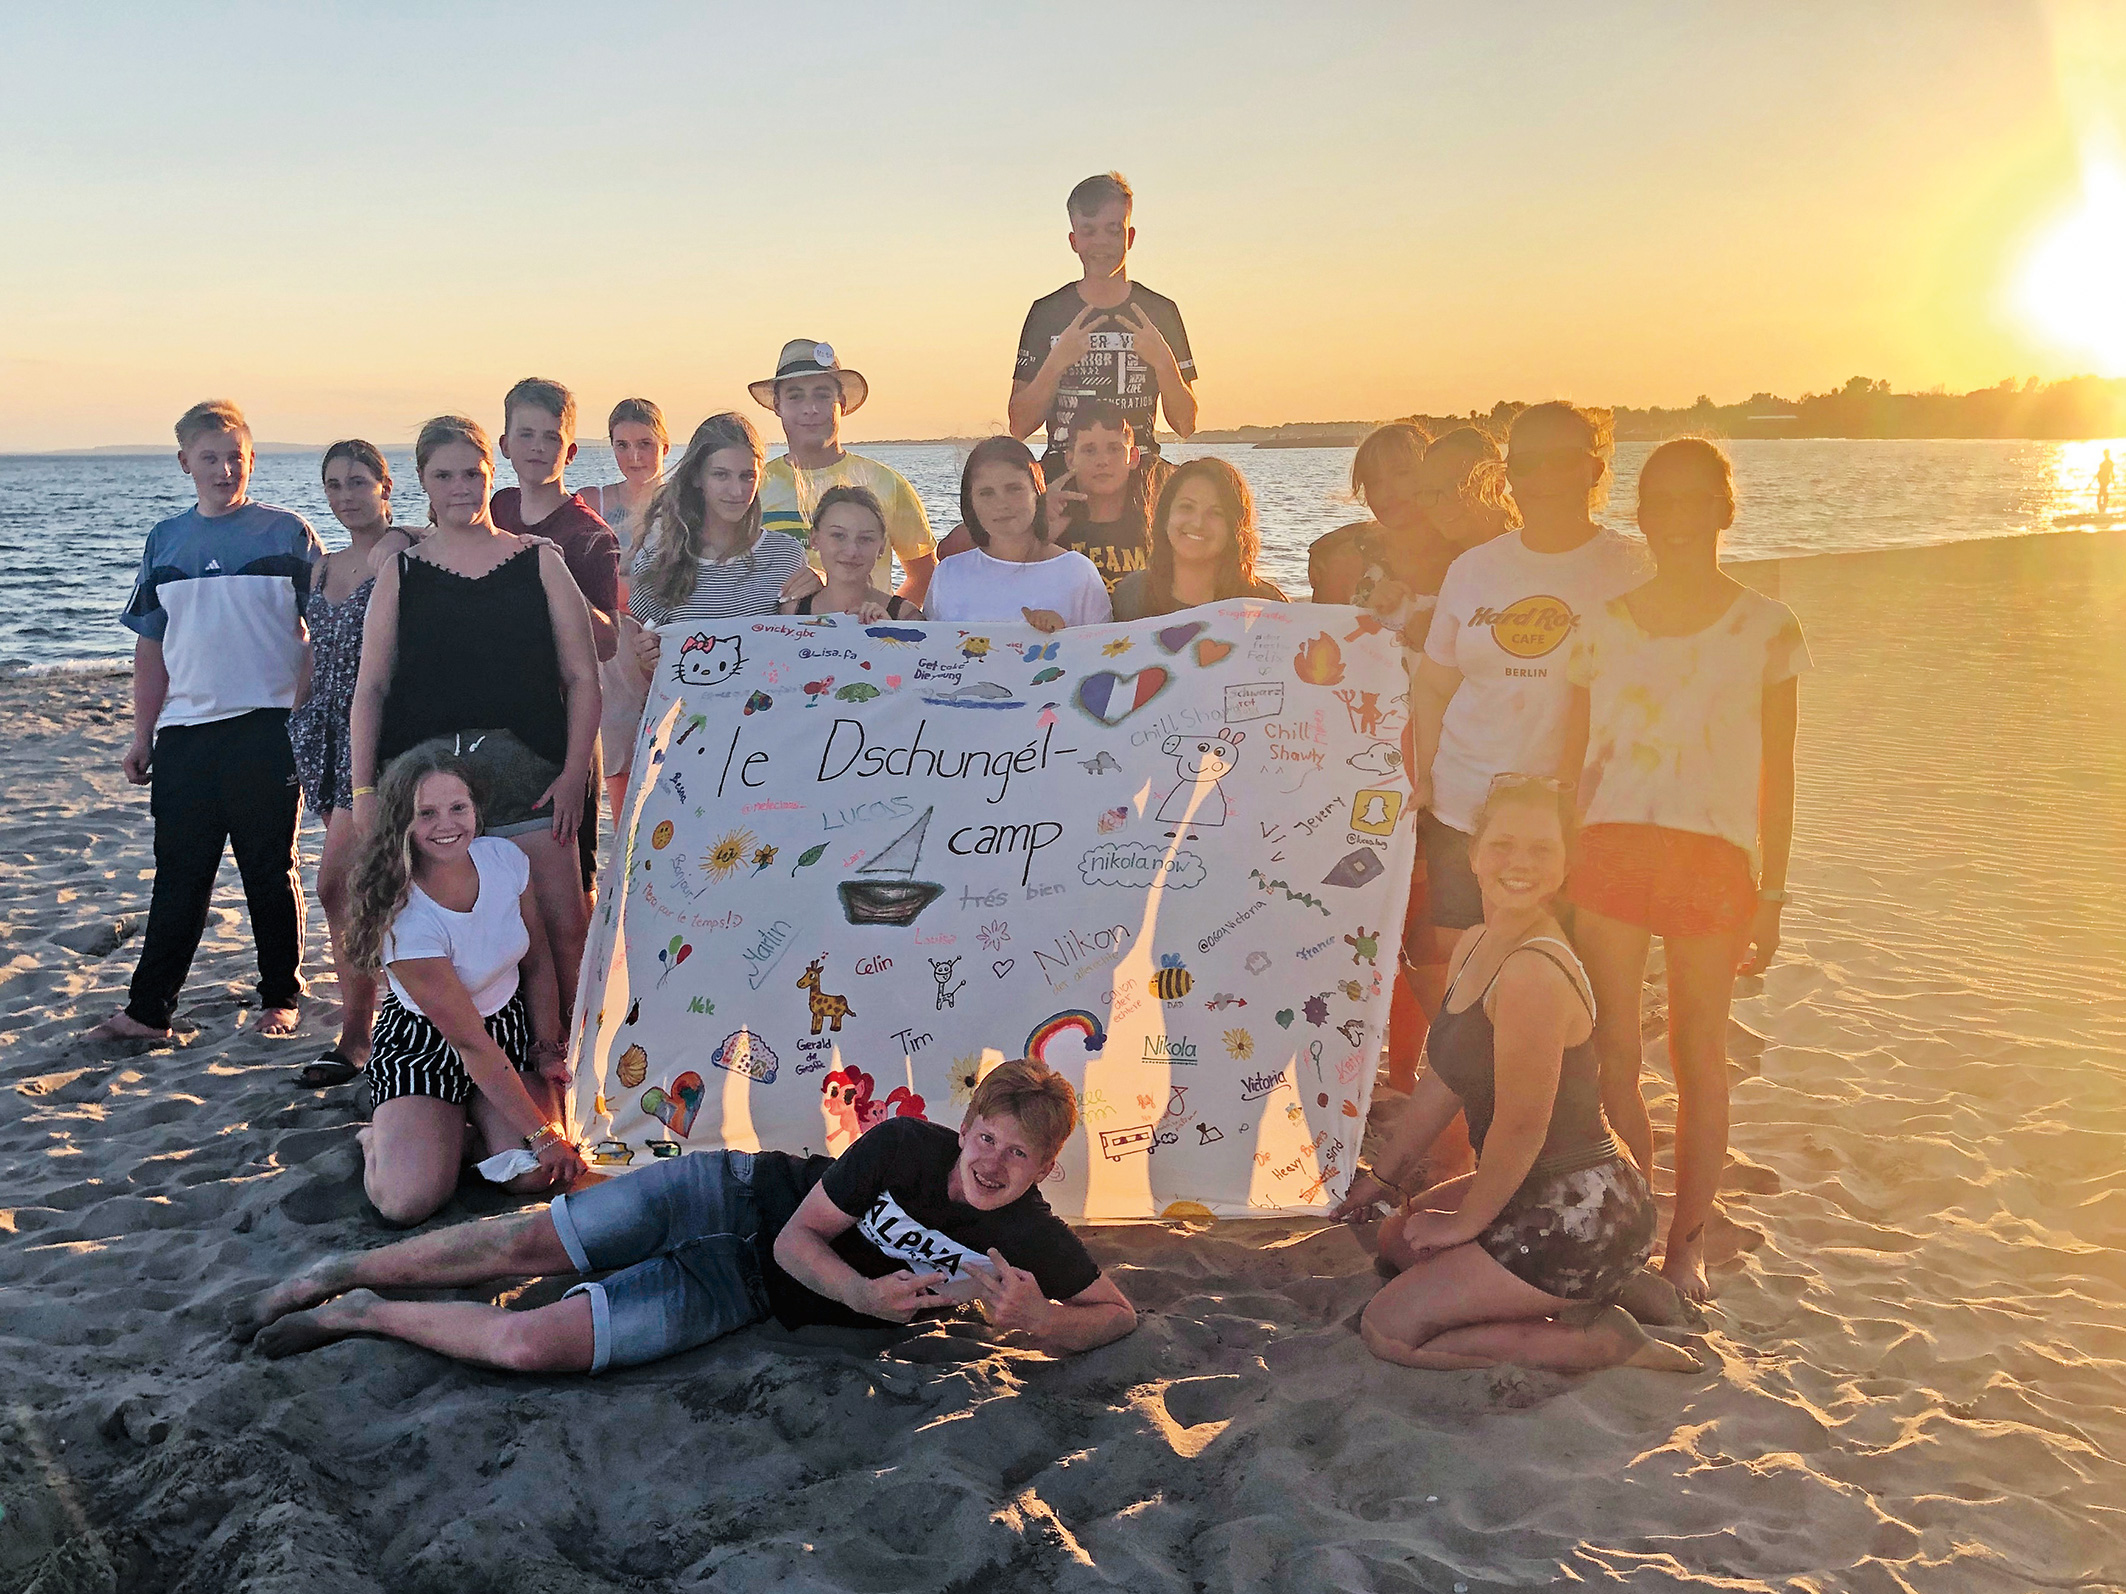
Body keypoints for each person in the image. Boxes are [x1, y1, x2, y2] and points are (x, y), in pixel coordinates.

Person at [235, 1058, 1138, 1373]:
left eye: (1018, 1156)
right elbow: (799, 1238)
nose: (991, 1164)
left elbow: (1116, 1315)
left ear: (1045, 1167)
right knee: (526, 1245)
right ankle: (339, 1271)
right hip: (730, 1195)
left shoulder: (1029, 1234)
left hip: (739, 1291)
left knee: (530, 1347)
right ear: (968, 1124)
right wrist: (865, 1304)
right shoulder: (907, 1145)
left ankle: (365, 1315)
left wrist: (1042, 1322)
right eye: (986, 1138)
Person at [1331, 777, 1696, 1374]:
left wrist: (1468, 1221)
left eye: (1540, 850)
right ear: (1473, 854)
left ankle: (1604, 1341)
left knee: (1391, 1329)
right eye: (1502, 845)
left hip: (1581, 1208)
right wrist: (1384, 1177)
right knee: (1399, 1242)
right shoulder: (1476, 942)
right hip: (1530, 1187)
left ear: (1564, 865)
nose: (1518, 864)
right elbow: (1445, 1078)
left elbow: (1522, 1125)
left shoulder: (1534, 971)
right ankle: (1590, 1290)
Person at [1559, 438, 1809, 1301]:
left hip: (1714, 858)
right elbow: (1572, 759)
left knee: (1699, 1051)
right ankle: (1632, 1230)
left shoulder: (1768, 627)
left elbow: (1779, 771)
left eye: (1693, 500)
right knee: (1614, 1050)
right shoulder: (1605, 625)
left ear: (1723, 510)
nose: (1674, 518)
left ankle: (1688, 1244)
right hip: (1613, 845)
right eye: (1658, 501)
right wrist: (1561, 857)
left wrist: (1772, 891)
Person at [348, 414, 600, 1028]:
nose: (460, 486)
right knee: (441, 939)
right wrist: (363, 791)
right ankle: (462, 1069)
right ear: (422, 483)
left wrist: (573, 777)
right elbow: (371, 688)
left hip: (529, 774)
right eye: (444, 475)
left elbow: (583, 678)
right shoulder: (400, 573)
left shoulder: (540, 563)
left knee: (564, 930)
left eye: (472, 472)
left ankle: (571, 1063)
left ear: (493, 473)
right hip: (427, 784)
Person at [89, 401, 324, 1044]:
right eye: (210, 458)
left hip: (266, 727)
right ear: (185, 462)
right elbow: (151, 645)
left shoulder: (288, 533)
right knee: (179, 876)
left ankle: (281, 996)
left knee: (268, 871)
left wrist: (301, 715)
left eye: (236, 458)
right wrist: (142, 734)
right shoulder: (165, 540)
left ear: (252, 459)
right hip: (184, 733)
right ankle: (147, 1013)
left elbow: (321, 632)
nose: (225, 470)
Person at [1409, 403, 1652, 973]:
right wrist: (1420, 776)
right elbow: (1433, 686)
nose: (1542, 478)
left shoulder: (1634, 567)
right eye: (1527, 464)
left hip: (1575, 820)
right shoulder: (1473, 568)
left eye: (1561, 461)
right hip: (1463, 808)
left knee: (1558, 975)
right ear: (1506, 476)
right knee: (1462, 970)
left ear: (1593, 471)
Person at [343, 746, 582, 1225]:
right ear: (400, 823)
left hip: (506, 1030)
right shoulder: (406, 917)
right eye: (425, 813)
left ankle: (463, 1133)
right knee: (407, 1202)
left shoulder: (503, 860)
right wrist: (544, 1134)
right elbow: (469, 1043)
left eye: (458, 808)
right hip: (427, 1043)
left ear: (476, 809)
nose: (446, 824)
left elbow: (535, 962)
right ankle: (382, 1136)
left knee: (536, 1176)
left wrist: (545, 1047)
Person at [288, 440, 413, 1086]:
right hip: (328, 738)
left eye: (359, 483)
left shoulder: (405, 553)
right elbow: (311, 654)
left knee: (346, 885)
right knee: (350, 889)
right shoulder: (320, 569)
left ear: (386, 485)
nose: (345, 497)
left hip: (386, 740)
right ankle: (364, 1030)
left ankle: (365, 1034)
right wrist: (299, 714)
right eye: (334, 485)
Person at [1009, 171, 1197, 471]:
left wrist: (1164, 363)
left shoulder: (1161, 312)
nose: (1101, 243)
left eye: (1113, 230)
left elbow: (1186, 425)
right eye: (1089, 231)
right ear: (1073, 240)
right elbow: (1019, 426)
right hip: (1066, 480)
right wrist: (1057, 362)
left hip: (1140, 476)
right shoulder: (1047, 313)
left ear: (1130, 236)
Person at [624, 411, 810, 689]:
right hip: (690, 724)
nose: (736, 491)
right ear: (697, 478)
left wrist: (824, 583)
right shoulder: (657, 562)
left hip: (767, 721)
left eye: (747, 476)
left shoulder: (785, 556)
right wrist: (646, 658)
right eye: (721, 475)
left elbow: (803, 651)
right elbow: (647, 670)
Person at [753, 340, 936, 608]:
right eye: (795, 396)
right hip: (778, 643)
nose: (810, 408)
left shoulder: (887, 484)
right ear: (778, 406)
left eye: (822, 394)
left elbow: (924, 576)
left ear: (842, 403)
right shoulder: (753, 488)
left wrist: (887, 620)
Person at [578, 398, 669, 826]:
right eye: (623, 445)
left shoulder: (688, 503)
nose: (634, 456)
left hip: (665, 643)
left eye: (646, 443)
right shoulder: (589, 500)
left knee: (672, 772)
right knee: (619, 774)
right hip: (613, 651)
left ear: (665, 444)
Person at [925, 437, 1111, 632]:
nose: (1002, 504)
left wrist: (1062, 635)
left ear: (1037, 492)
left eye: (1014, 489)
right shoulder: (948, 573)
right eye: (987, 493)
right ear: (970, 502)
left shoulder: (1078, 572)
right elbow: (931, 651)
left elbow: (1103, 655)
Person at [1110, 456, 1286, 621]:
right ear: (1165, 517)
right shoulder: (1131, 595)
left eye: (1216, 513)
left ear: (1235, 527)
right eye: (1187, 507)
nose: (1198, 523)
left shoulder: (1267, 606)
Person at [780, 485, 924, 620]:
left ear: (882, 547)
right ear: (814, 539)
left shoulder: (906, 616)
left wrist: (890, 631)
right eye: (838, 535)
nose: (852, 551)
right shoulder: (791, 613)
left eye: (865, 539)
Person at [2096, 449, 2115, 515]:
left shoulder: (2110, 463)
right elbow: (2100, 471)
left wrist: (2114, 482)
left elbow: (2111, 473)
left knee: (2102, 491)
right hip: (2101, 478)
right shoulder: (2104, 463)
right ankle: (2102, 505)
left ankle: (2102, 506)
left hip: (2105, 479)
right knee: (2102, 491)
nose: (2106, 455)